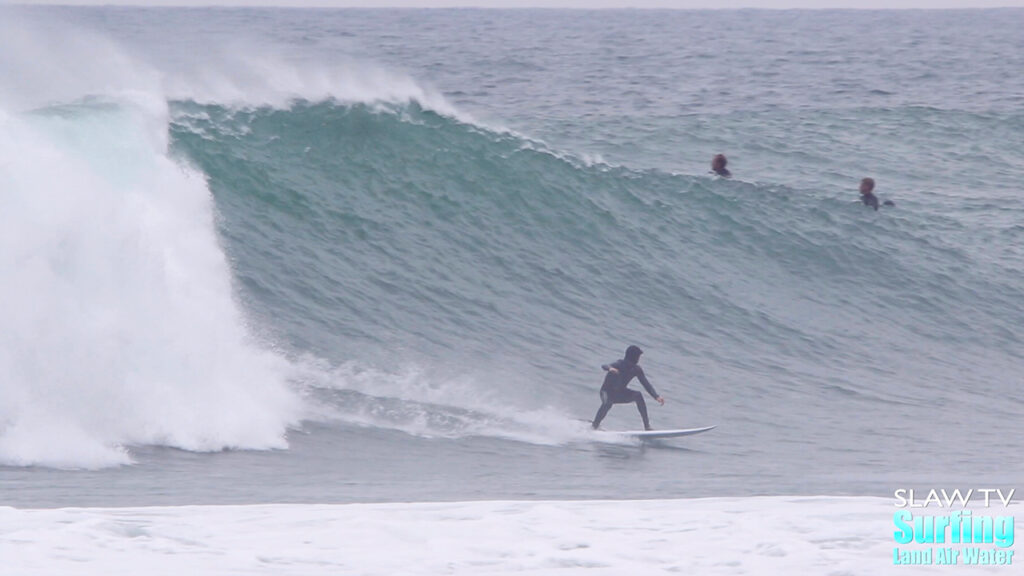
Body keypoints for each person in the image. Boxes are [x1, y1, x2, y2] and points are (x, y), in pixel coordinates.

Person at [591, 345, 665, 431]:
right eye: (638, 356)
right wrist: (610, 368)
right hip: (606, 392)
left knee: (638, 395)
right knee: (608, 403)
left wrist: (656, 396)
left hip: (619, 393)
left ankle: (647, 427)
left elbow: (646, 384)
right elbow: (604, 365)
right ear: (633, 357)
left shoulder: (636, 369)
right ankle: (594, 426)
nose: (639, 359)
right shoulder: (619, 364)